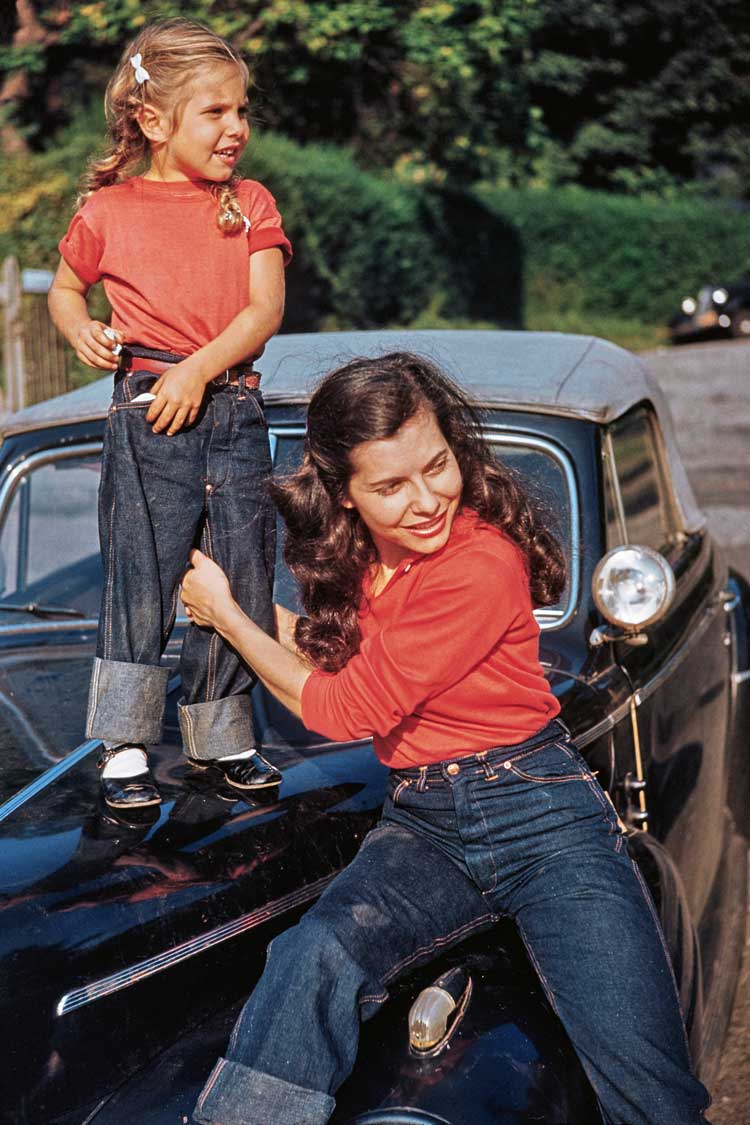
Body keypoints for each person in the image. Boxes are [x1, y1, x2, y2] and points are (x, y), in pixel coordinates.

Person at [181, 352, 711, 1125]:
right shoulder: (365, 562)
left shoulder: (481, 563)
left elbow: (342, 706)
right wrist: (238, 602)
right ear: (345, 495)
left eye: (438, 466)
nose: (428, 499)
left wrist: (231, 614)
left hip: (545, 820)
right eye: (391, 486)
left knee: (650, 1088)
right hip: (424, 822)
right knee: (310, 957)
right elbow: (342, 653)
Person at [48, 19, 292, 809]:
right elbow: (62, 288)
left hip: (233, 409)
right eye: (215, 113)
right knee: (141, 574)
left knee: (240, 574)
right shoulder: (109, 210)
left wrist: (198, 369)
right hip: (149, 407)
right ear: (155, 122)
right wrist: (79, 326)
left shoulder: (249, 203)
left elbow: (262, 312)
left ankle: (223, 737)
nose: (237, 130)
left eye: (242, 111)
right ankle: (124, 746)